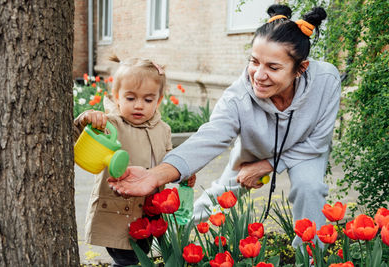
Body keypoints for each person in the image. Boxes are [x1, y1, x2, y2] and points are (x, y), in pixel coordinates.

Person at [108, 4, 341, 248]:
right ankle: (166, 245)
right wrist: (156, 175)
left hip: (305, 148)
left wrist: (267, 166)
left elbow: (318, 142)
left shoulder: (326, 81)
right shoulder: (238, 98)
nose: (258, 75)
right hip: (256, 147)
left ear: (300, 69)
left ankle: (310, 256)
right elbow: (208, 139)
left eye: (273, 67)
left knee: (310, 187)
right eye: (254, 62)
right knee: (222, 195)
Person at [74, 57, 195, 266]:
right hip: (118, 211)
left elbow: (170, 161)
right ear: (117, 97)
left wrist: (184, 173)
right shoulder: (109, 124)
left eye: (148, 100)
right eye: (131, 98)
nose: (139, 106)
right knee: (126, 259)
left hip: (150, 211)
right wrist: (87, 119)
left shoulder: (163, 129)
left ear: (158, 101)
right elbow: (81, 136)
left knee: (140, 254)